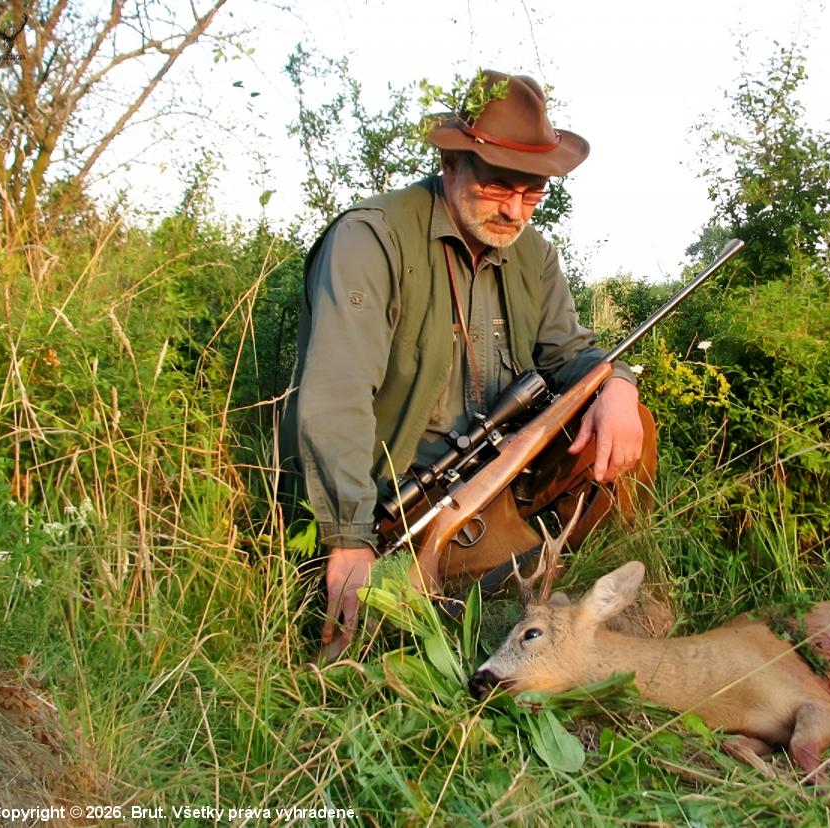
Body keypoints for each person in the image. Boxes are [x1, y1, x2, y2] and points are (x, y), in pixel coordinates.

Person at [279, 71, 656, 660]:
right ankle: (452, 589)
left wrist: (617, 385)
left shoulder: (532, 252)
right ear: (453, 164)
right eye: (499, 186)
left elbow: (569, 353)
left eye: (533, 194)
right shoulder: (370, 238)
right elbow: (337, 396)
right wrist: (349, 537)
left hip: (500, 471)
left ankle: (581, 570)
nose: (514, 211)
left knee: (630, 420)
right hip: (399, 498)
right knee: (483, 618)